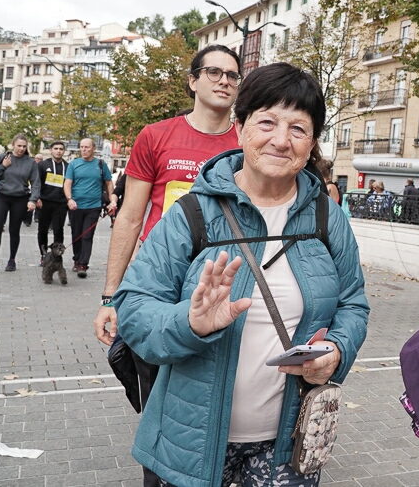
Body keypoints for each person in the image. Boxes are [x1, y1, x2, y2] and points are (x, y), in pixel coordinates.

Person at [114, 62, 370, 487]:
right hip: (190, 445)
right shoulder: (193, 214)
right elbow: (135, 309)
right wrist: (189, 323)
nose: (281, 140)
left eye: (298, 129)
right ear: (240, 127)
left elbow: (353, 303)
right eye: (267, 122)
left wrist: (338, 351)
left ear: (311, 143)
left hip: (286, 448)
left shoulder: (327, 216)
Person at [93, 44, 242, 487]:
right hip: (161, 292)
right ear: (193, 81)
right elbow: (131, 218)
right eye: (213, 72)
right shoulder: (155, 137)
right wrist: (112, 296)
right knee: (163, 405)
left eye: (233, 75)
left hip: (225, 290)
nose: (224, 81)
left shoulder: (249, 140)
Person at [0, 134, 40, 274]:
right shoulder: (3, 158)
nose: (21, 148)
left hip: (20, 198)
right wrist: (3, 166)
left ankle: (12, 260)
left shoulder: (30, 162)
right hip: (2, 196)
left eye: (24, 146)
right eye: (19, 145)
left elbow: (36, 183)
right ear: (12, 144)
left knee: (15, 230)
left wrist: (33, 200)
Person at [64, 138, 116, 278]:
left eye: (87, 147)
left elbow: (109, 183)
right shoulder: (74, 164)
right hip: (76, 206)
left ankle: (83, 264)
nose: (84, 149)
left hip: (94, 206)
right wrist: (69, 199)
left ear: (94, 149)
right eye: (82, 147)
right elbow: (67, 184)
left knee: (87, 235)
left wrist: (112, 200)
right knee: (77, 235)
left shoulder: (100, 164)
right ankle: (76, 259)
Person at [36, 142, 69, 263]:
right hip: (44, 202)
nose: (58, 151)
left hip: (61, 203)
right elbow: (37, 182)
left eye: (61, 149)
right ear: (51, 150)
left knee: (58, 230)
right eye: (56, 149)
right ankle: (43, 255)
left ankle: (56, 256)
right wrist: (37, 198)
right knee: (42, 230)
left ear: (64, 151)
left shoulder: (68, 166)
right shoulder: (43, 165)